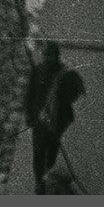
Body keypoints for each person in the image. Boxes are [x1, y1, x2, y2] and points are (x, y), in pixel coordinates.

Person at [25, 43, 85, 191]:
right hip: (47, 123)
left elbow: (29, 96)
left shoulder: (54, 73)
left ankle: (44, 181)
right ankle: (42, 181)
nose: (48, 59)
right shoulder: (45, 72)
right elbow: (30, 95)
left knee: (45, 154)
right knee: (43, 153)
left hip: (48, 124)